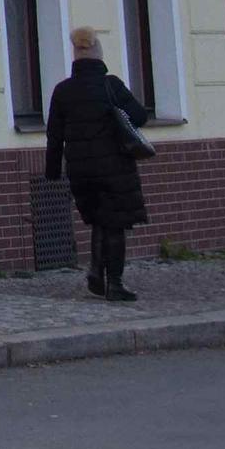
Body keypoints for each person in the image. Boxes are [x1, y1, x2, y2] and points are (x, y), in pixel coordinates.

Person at [43, 24, 154, 302]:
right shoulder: (111, 85)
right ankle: (114, 283)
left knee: (98, 220)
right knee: (114, 224)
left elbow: (54, 136)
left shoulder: (63, 91)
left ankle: (95, 271)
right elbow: (139, 116)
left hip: (80, 171)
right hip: (114, 168)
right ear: (98, 55)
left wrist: (53, 172)